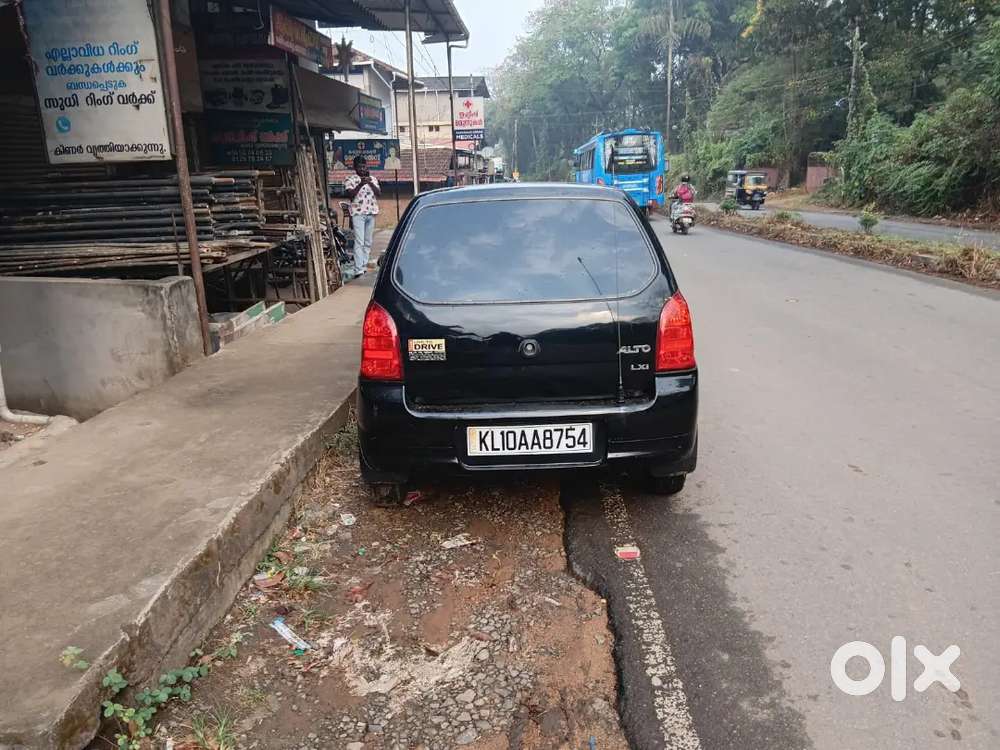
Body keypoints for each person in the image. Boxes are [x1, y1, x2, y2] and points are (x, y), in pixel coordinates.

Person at [344, 155, 381, 275]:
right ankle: (358, 268)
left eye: (364, 167)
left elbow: (379, 194)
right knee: (359, 241)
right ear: (355, 168)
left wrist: (370, 183)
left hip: (371, 212)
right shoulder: (351, 179)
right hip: (358, 214)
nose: (362, 169)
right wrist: (360, 184)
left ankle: (364, 265)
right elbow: (350, 195)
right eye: (359, 167)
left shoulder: (373, 179)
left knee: (368, 241)